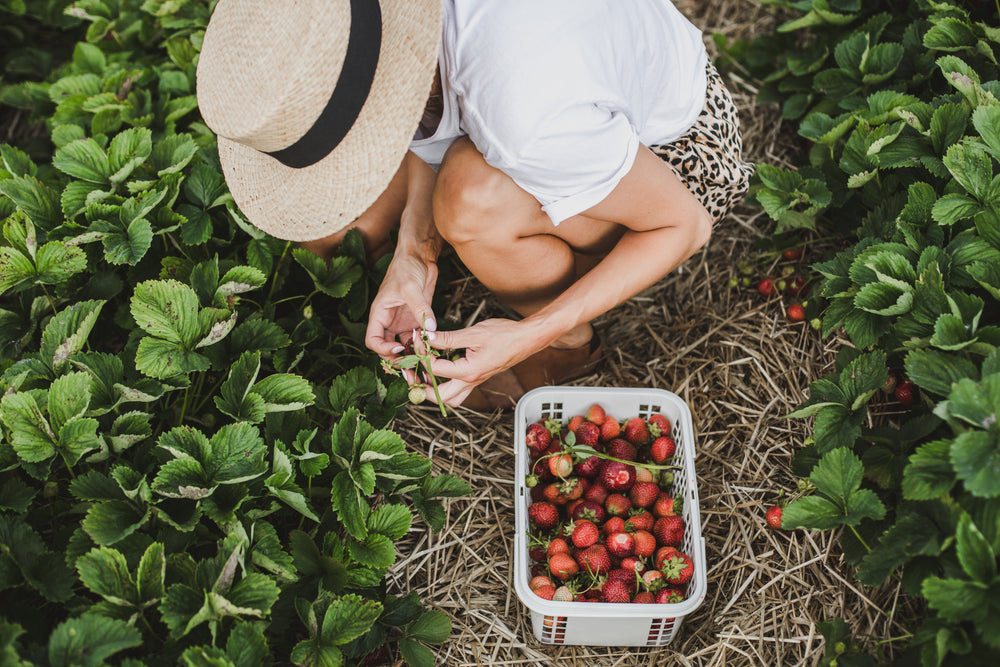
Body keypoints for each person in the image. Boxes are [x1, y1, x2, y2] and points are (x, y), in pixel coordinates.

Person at [196, 0, 753, 410]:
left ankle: (569, 348)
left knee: (470, 198)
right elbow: (421, 128)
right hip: (571, 93)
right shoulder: (387, 29)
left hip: (672, 160)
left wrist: (527, 335)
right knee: (350, 230)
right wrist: (415, 258)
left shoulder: (525, 116)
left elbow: (683, 225)